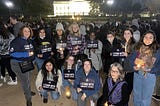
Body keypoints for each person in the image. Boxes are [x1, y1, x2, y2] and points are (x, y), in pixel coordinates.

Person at [127, 30, 160, 106]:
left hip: (150, 75)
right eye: (146, 37)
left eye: (150, 38)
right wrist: (133, 66)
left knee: (145, 98)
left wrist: (151, 69)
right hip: (138, 74)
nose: (147, 40)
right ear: (142, 38)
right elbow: (131, 59)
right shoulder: (138, 48)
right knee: (137, 95)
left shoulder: (157, 51)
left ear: (154, 39)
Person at [10, 26, 35, 106]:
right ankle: (28, 99)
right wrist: (26, 54)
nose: (27, 33)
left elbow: (32, 50)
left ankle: (27, 91)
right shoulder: (16, 41)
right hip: (19, 64)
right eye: (25, 31)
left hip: (28, 63)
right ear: (21, 32)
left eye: (28, 31)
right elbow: (13, 53)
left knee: (27, 80)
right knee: (25, 82)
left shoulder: (29, 40)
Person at [0, 21, 17, 85]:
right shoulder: (9, 34)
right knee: (9, 67)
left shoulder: (1, 36)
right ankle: (13, 78)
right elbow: (14, 40)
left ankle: (13, 79)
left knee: (6, 67)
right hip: (10, 53)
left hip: (3, 54)